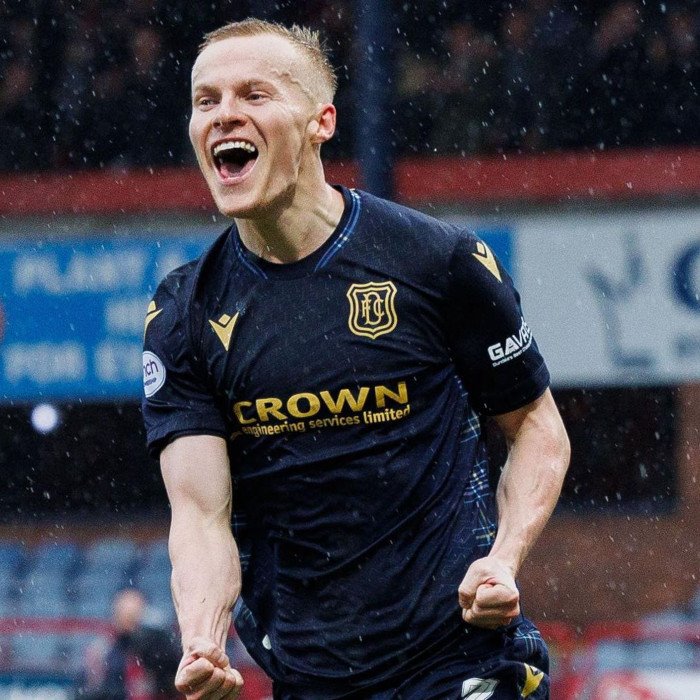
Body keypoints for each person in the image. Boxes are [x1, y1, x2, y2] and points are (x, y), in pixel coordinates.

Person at [141, 18, 570, 700]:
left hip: (458, 660)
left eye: (254, 94)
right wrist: (202, 637)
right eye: (206, 100)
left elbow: (537, 427)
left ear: (322, 121)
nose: (224, 114)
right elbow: (199, 517)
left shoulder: (438, 262)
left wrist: (504, 559)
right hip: (310, 677)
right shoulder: (183, 312)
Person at [78, 588, 180, 700]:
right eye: (123, 610)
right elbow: (92, 688)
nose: (128, 616)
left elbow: (171, 679)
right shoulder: (104, 649)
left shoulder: (159, 644)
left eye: (133, 612)